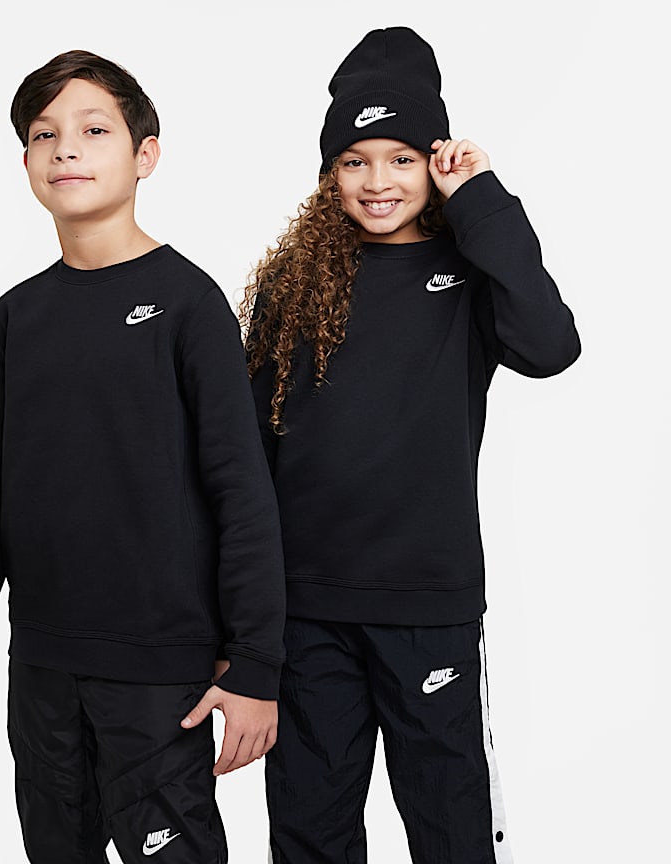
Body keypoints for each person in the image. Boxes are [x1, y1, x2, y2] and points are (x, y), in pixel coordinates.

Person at [0, 49, 285, 864]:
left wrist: (257, 662)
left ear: (145, 154)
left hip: (159, 675)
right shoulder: (20, 315)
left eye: (93, 130)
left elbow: (241, 491)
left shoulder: (188, 304)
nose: (66, 150)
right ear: (26, 163)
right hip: (43, 667)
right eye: (44, 135)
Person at [241, 27, 580, 864]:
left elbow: (550, 346)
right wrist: (242, 613)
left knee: (449, 826)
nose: (378, 181)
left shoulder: (469, 271)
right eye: (354, 161)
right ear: (330, 174)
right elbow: (251, 450)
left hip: (428, 603)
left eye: (401, 158)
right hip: (307, 610)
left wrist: (482, 199)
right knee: (309, 829)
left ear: (435, 161)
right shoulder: (295, 282)